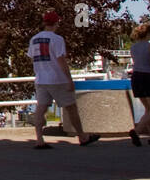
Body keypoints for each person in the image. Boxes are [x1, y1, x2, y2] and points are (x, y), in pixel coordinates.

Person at [27, 10, 101, 149]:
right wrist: (69, 79)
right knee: (71, 108)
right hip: (57, 79)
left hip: (41, 78)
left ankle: (39, 139)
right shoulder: (57, 39)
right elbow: (61, 60)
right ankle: (82, 136)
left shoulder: (34, 39)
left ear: (44, 23)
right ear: (56, 23)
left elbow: (32, 57)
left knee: (41, 108)